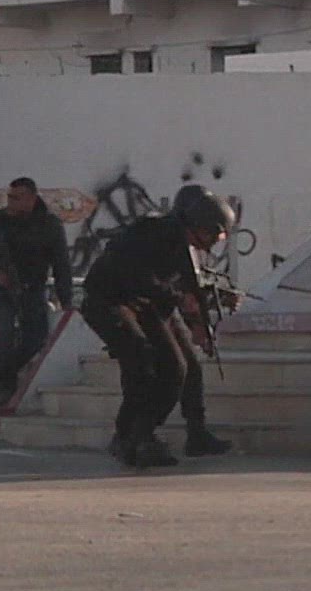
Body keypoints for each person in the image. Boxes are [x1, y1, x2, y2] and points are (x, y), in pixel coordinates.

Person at [79, 188, 240, 469]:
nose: (213, 242)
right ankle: (130, 436)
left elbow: (188, 286)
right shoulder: (152, 234)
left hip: (148, 304)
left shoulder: (184, 244)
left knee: (185, 365)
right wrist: (180, 300)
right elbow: (140, 279)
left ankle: (177, 433)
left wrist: (200, 322)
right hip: (111, 301)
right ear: (197, 225)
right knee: (142, 361)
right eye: (212, 234)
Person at [0, 176, 75, 402]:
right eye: (10, 197)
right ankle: (4, 385)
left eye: (17, 198)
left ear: (31, 199)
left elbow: (61, 264)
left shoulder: (48, 225)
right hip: (2, 289)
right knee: (4, 333)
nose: (11, 202)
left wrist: (66, 299)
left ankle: (5, 370)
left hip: (33, 288)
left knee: (36, 338)